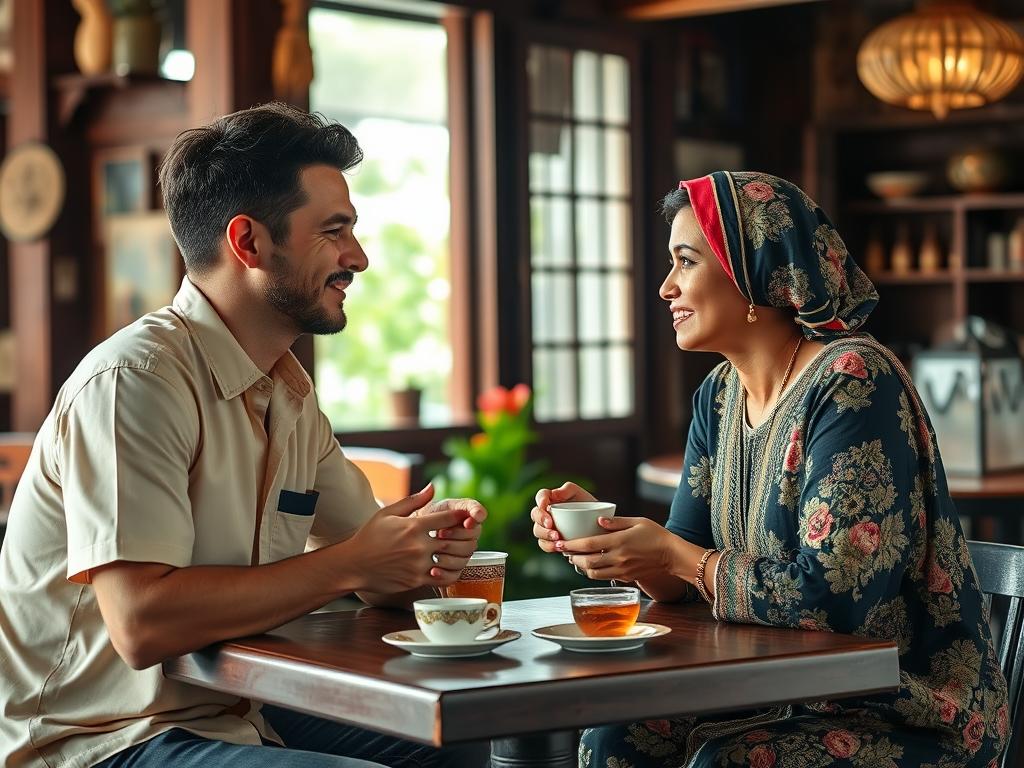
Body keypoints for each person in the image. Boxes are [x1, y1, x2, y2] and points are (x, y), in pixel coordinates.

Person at [0, 103, 490, 768]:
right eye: (334, 231)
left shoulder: (286, 393)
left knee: (458, 744)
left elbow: (373, 569)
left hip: (233, 712)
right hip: (97, 740)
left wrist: (420, 549)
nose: (360, 258)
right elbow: (142, 624)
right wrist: (353, 564)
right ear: (250, 243)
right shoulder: (134, 381)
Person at [531, 171, 1009, 767]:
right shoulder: (719, 394)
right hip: (771, 690)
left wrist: (672, 555)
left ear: (753, 268)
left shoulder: (854, 379)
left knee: (727, 761)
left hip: (898, 704)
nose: (665, 288)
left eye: (685, 262)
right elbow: (683, 573)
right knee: (614, 740)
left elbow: (835, 602)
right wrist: (617, 543)